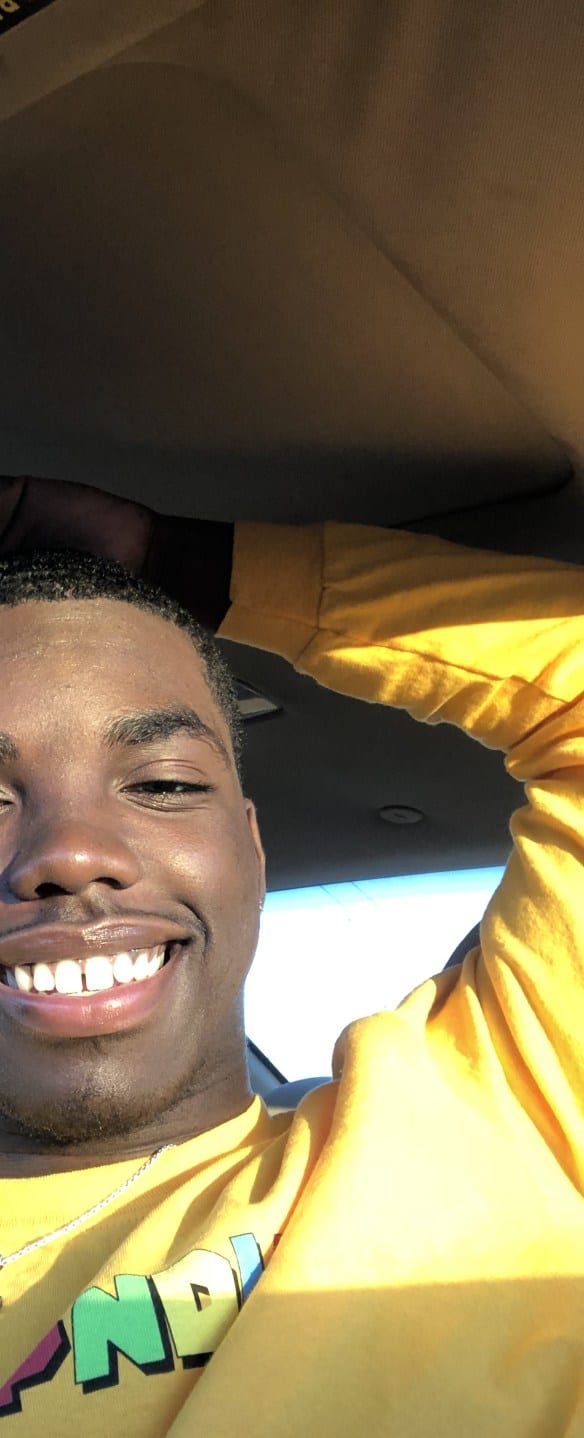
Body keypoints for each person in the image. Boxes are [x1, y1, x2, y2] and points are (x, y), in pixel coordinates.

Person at [0, 476, 581, 1436]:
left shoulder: (501, 1109)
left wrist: (190, 561)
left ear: (254, 851)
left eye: (162, 784)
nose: (69, 855)